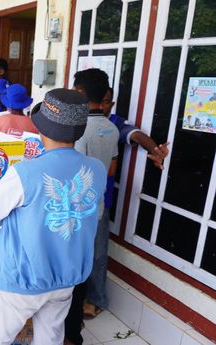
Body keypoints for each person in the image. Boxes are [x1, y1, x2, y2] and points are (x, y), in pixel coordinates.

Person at [0, 88, 107, 345]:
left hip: (20, 280)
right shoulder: (96, 169)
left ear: (41, 130)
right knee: (49, 339)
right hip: (65, 279)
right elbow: (95, 212)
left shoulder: (25, 172)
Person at [80, 87, 169, 321]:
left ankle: (96, 299)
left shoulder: (113, 124)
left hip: (101, 200)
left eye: (109, 102)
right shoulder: (78, 120)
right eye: (103, 101)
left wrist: (155, 149)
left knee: (98, 253)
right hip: (76, 200)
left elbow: (136, 134)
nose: (105, 106)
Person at [64, 68, 119, 345]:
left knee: (75, 259)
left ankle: (73, 311)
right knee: (95, 255)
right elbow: (110, 169)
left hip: (78, 207)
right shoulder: (112, 128)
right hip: (99, 203)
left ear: (82, 94)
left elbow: (75, 171)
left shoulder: (79, 128)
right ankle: (91, 302)